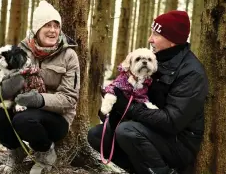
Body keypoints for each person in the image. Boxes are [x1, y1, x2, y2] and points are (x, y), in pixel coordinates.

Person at [88, 10, 208, 174]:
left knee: (126, 131)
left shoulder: (191, 73)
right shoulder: (156, 60)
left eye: (156, 34)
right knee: (97, 134)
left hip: (179, 142)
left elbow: (172, 122)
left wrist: (129, 108)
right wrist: (115, 105)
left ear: (172, 40)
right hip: (149, 129)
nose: (150, 39)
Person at [0, 0, 80, 174]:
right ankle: (17, 151)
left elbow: (69, 98)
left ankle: (45, 154)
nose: (53, 30)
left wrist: (38, 99)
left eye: (56, 26)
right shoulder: (22, 50)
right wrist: (6, 87)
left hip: (56, 117)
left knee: (25, 119)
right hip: (21, 105)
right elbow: (5, 82)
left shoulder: (69, 55)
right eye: (47, 25)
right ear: (37, 29)